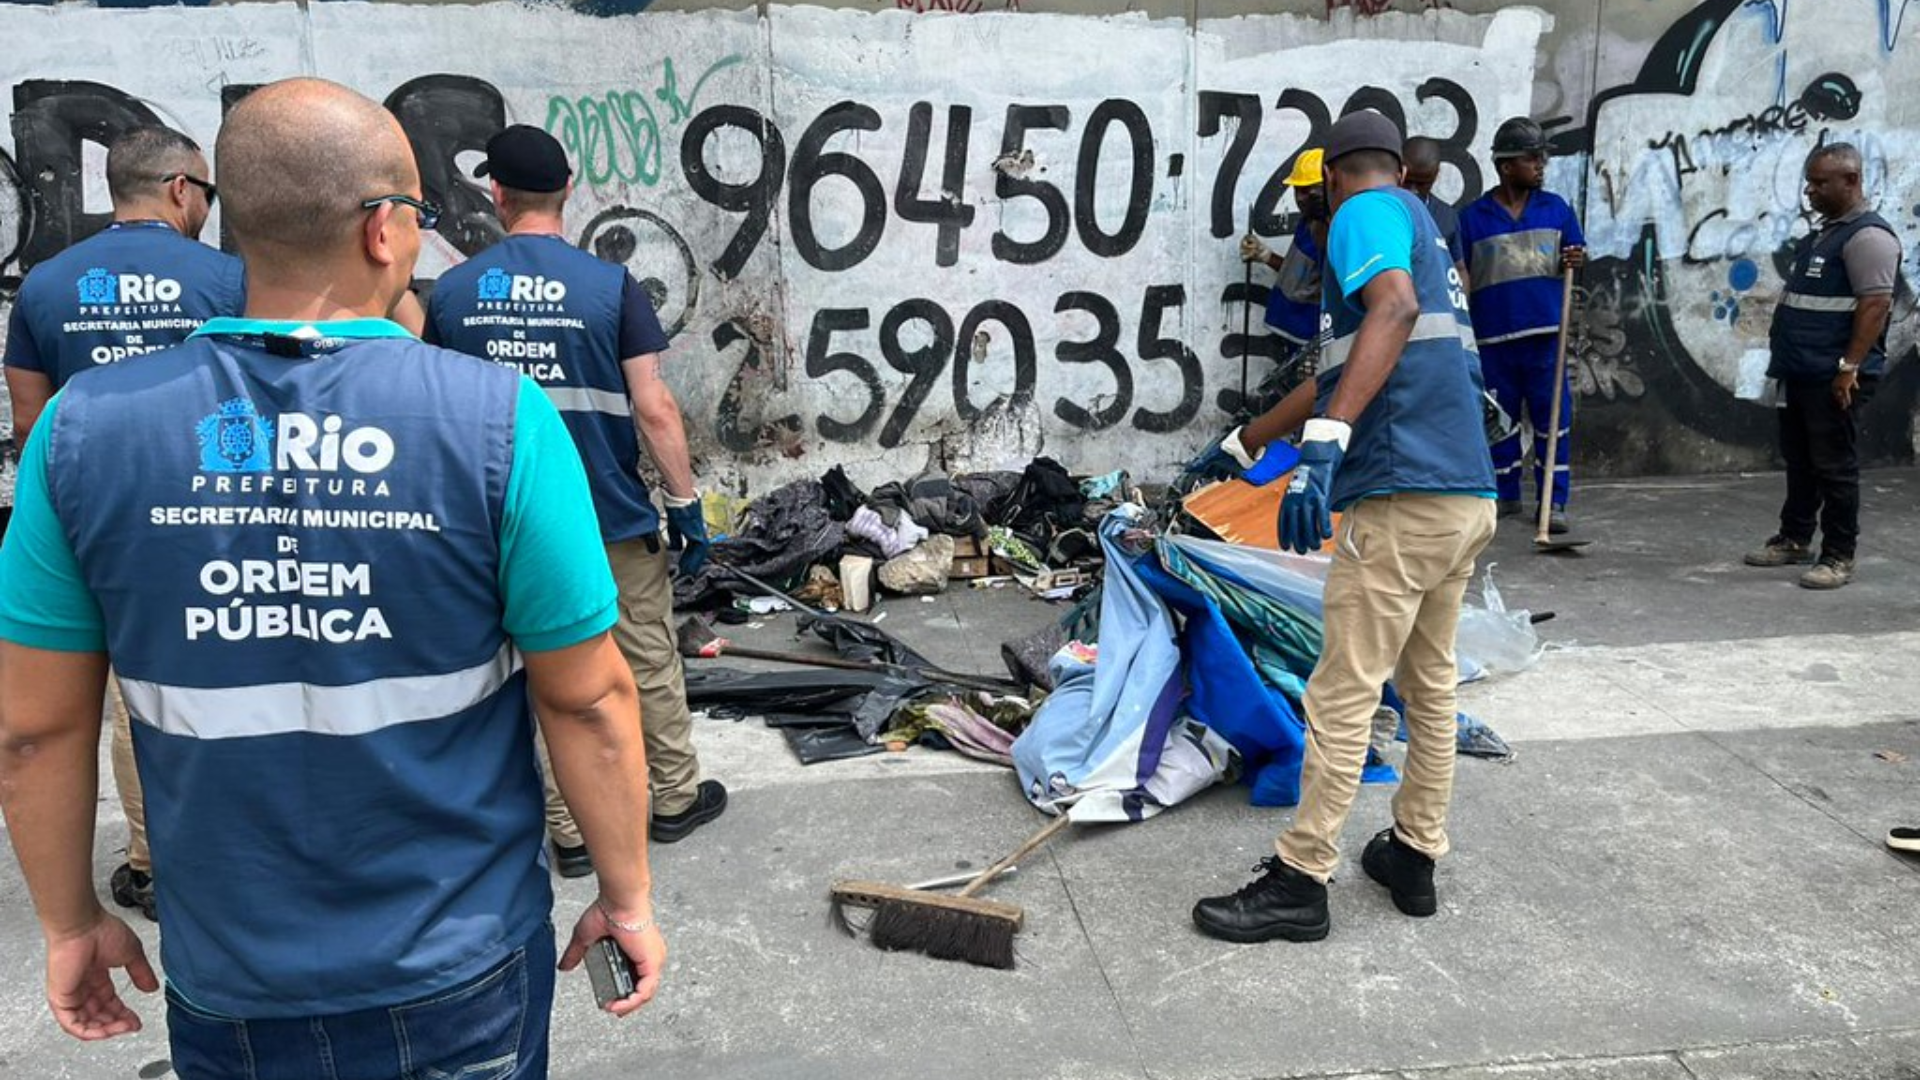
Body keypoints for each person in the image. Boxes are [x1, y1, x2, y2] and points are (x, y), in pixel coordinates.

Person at [0, 79, 665, 1072]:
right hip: (459, 964)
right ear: (385, 229)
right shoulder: (499, 421)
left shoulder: (79, 431)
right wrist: (626, 897)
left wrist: (70, 922)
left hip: (229, 975)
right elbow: (589, 703)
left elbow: (33, 729)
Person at [1192, 110, 1496, 944]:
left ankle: (1300, 877)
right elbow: (1344, 368)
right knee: (1428, 686)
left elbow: (1390, 315)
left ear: (1334, 173)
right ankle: (1414, 855)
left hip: (1399, 496)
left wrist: (1324, 450)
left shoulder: (1365, 210)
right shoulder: (1427, 231)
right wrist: (1245, 441)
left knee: (1342, 691)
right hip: (1463, 496)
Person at [426, 124, 725, 875]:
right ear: (569, 188)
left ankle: (572, 831)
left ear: (496, 194)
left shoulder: (456, 292)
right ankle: (674, 798)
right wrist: (685, 505)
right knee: (646, 659)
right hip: (608, 514)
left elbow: (437, 413)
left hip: (504, 524)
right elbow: (653, 407)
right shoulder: (610, 288)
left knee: (540, 675)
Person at [2, 124, 246, 924]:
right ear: (181, 188)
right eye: (206, 192)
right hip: (221, 512)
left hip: (103, 522)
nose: (207, 206)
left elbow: (36, 431)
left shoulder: (45, 286)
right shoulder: (228, 278)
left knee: (130, 700)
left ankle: (154, 865)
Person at [1743, 143, 1899, 590]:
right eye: (1809, 181)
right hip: (1801, 369)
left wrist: (1849, 367)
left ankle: (1838, 555)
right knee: (1800, 459)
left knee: (1833, 464)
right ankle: (1794, 538)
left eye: (1819, 182)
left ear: (1850, 181)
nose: (1809, 190)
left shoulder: (1868, 237)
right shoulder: (1825, 233)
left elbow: (1875, 306)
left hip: (1835, 376)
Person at [1457, 117, 1585, 532]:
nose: (1541, 165)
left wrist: (1575, 261)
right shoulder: (1472, 218)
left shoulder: (1557, 209)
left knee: (1553, 421)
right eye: (1533, 158)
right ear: (1507, 165)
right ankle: (1505, 493)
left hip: (1546, 336)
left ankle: (1554, 501)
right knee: (1500, 423)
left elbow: (1574, 257)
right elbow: (1464, 276)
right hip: (1492, 339)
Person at [1220, 149, 1327, 473]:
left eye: (1309, 189)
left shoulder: (1332, 232)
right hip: (1288, 329)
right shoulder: (1308, 225)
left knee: (1307, 406)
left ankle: (1298, 465)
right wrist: (1266, 257)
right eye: (1298, 189)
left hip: (1309, 334)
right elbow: (1297, 275)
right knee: (1290, 400)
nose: (1300, 196)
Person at [1402, 136, 1469, 285]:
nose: (1413, 190)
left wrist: (1460, 306)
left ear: (1436, 174)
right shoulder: (1379, 210)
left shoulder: (1446, 216)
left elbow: (1459, 269)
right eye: (1407, 181)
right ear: (1398, 170)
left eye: (1422, 183)